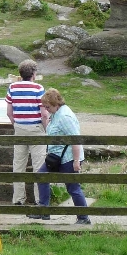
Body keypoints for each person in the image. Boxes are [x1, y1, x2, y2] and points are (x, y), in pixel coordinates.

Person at [29, 89, 91, 224]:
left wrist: (76, 161)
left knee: (73, 188)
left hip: (69, 158)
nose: (46, 109)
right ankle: (44, 210)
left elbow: (76, 139)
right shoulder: (57, 113)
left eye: (48, 107)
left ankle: (83, 217)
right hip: (56, 157)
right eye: (45, 107)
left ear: (55, 103)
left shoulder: (64, 117)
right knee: (42, 176)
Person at [6, 60, 48, 206]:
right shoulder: (38, 88)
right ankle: (39, 200)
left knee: (18, 165)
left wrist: (16, 124)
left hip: (20, 128)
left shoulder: (12, 87)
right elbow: (44, 114)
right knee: (39, 165)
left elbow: (9, 112)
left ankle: (18, 199)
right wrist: (46, 129)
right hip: (36, 128)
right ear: (34, 74)